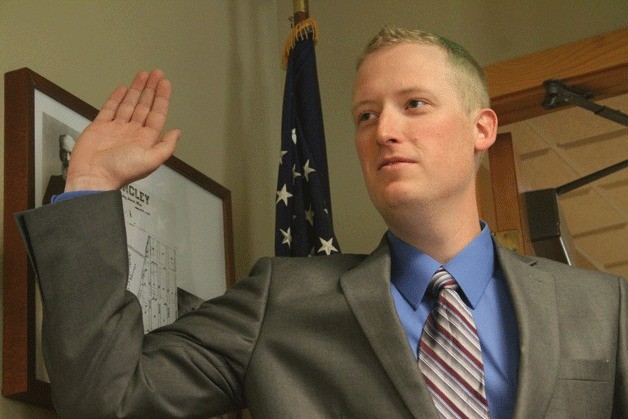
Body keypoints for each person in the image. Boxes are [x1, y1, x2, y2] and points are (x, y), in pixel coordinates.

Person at [16, 28, 626, 418]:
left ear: (482, 129)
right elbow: (106, 396)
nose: (384, 130)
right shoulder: (281, 301)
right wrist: (90, 184)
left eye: (413, 104)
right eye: (365, 115)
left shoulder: (603, 308)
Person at [42, 134, 76, 205]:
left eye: (70, 153)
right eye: (64, 152)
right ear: (60, 153)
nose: (67, 158)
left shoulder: (82, 183)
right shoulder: (54, 181)